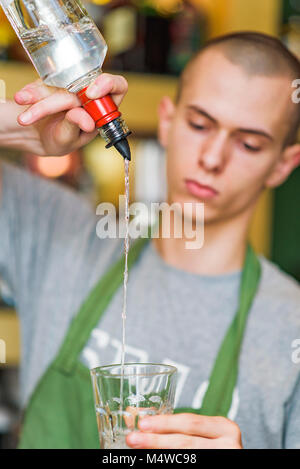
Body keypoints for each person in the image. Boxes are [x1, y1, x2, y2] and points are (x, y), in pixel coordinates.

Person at [0, 32, 300, 449]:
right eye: (199, 124)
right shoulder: (59, 236)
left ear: (283, 165)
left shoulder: (291, 329)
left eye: (249, 144)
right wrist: (18, 127)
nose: (213, 158)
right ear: (166, 120)